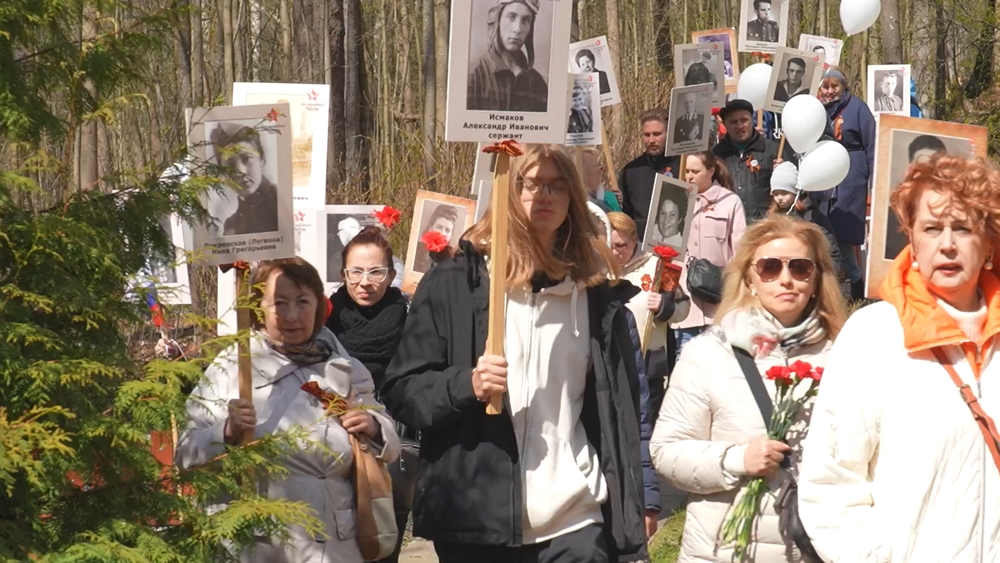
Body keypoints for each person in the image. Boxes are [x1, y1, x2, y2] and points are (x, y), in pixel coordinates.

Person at [381, 144, 648, 563]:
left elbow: (621, 413)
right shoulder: (454, 285)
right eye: (530, 184)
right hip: (477, 521)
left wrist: (639, 497)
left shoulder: (594, 297)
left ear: (572, 200)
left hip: (573, 518)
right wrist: (465, 384)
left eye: (556, 186)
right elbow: (401, 391)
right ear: (507, 190)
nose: (543, 196)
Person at [798, 154, 1000, 562]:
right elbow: (830, 481)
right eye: (931, 228)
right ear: (911, 237)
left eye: (962, 228)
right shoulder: (874, 335)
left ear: (988, 242)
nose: (946, 244)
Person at [176, 257, 401, 562]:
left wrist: (373, 426)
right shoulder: (232, 368)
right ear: (258, 309)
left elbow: (390, 446)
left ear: (318, 306)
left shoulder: (344, 368)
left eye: (303, 301)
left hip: (336, 545)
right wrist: (226, 432)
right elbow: (185, 455)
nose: (292, 315)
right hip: (261, 544)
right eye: (279, 303)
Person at [652, 214, 847, 563]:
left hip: (811, 549)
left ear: (817, 279)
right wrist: (737, 459)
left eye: (800, 268)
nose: (786, 279)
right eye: (770, 267)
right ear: (750, 278)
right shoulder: (710, 353)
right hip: (723, 551)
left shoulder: (846, 356)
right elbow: (667, 452)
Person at [325, 227, 410, 563]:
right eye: (356, 272)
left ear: (391, 274)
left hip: (389, 445)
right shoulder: (324, 319)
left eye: (375, 272)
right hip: (336, 442)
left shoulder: (410, 317)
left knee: (381, 541)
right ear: (343, 274)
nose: (365, 282)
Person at [675, 151, 747, 352]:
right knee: (687, 366)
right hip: (686, 303)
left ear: (711, 171)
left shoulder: (730, 202)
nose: (689, 176)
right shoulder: (677, 200)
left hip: (719, 301)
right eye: (687, 171)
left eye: (695, 171)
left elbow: (740, 252)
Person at [816, 68, 875, 299]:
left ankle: (857, 286)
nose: (830, 92)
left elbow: (872, 144)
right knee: (824, 231)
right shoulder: (817, 111)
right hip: (824, 176)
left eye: (834, 86)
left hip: (851, 176)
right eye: (825, 87)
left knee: (844, 233)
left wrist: (873, 180)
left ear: (844, 86)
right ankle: (831, 290)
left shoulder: (858, 109)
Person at [713, 99, 788, 222]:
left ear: (752, 120)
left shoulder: (773, 150)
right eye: (733, 122)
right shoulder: (716, 155)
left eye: (744, 120)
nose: (739, 126)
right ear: (724, 124)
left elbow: (790, 194)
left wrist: (784, 174)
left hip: (764, 226)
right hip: (729, 225)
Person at [467, 0, 548, 112]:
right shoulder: (473, 75)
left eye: (525, 20)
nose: (517, 29)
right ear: (498, 20)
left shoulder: (537, 83)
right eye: (511, 17)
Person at [768, 161, 843, 276]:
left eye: (784, 193)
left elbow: (831, 250)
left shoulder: (811, 217)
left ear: (796, 193)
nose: (780, 198)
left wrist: (827, 277)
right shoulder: (773, 217)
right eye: (776, 194)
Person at [619, 108, 682, 241]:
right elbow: (627, 213)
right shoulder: (631, 171)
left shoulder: (685, 165)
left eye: (657, 134)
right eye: (646, 135)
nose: (651, 140)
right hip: (642, 245)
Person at [884, 134, 948, 263]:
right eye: (922, 166)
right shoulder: (887, 220)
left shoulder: (956, 219)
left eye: (935, 168)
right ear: (909, 170)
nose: (928, 175)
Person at [211, 123, 279, 236]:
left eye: (246, 159)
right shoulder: (231, 224)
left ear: (262, 160)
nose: (241, 172)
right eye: (230, 165)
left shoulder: (280, 203)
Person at [411, 204, 458, 274]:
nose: (442, 233)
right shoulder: (415, 251)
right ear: (430, 227)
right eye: (439, 227)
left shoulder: (454, 259)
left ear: (451, 235)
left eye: (447, 230)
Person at [582, 147, 623, 212]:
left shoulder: (609, 200)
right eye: (595, 166)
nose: (600, 170)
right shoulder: (575, 204)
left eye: (599, 165)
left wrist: (615, 204)